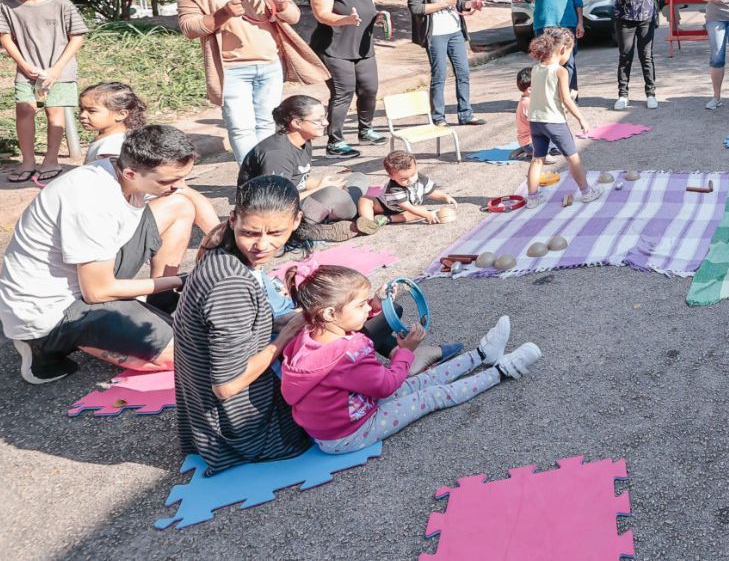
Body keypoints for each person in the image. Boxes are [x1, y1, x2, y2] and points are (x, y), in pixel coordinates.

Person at [0, 125, 198, 384]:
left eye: (182, 177)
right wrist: (183, 280)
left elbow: (191, 201)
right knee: (191, 354)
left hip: (88, 279)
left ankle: (160, 303)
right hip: (55, 308)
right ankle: (40, 345)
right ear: (130, 173)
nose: (178, 185)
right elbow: (97, 292)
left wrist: (224, 244)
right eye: (168, 181)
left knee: (180, 205)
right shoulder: (92, 200)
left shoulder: (127, 171)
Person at [279, 264, 541, 454]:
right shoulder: (348, 355)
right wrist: (406, 351)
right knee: (432, 395)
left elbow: (363, 368)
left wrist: (376, 309)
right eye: (361, 305)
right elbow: (387, 385)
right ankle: (502, 371)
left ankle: (481, 354)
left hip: (339, 420)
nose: (368, 308)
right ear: (328, 313)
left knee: (421, 380)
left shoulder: (308, 336)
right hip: (350, 433)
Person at [174, 175, 313, 474]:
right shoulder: (230, 284)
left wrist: (286, 321)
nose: (262, 244)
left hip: (208, 423)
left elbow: (242, 327)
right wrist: (288, 333)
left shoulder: (220, 250)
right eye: (250, 232)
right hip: (243, 433)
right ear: (233, 219)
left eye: (276, 232)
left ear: (296, 220)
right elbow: (227, 387)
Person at [178, 0, 309, 161]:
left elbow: (293, 17)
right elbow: (188, 27)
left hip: (270, 63)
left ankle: (267, 173)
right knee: (240, 128)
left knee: (267, 124)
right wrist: (223, 14)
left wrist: (281, 3)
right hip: (230, 68)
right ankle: (252, 177)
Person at [80, 81, 224, 244]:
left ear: (121, 114)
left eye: (91, 111)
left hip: (133, 210)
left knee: (183, 196)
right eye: (81, 109)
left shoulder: (111, 146)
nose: (83, 115)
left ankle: (219, 239)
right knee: (185, 193)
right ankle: (220, 237)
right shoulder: (122, 139)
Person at [1, 0, 87, 182]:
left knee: (54, 112)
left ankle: (51, 160)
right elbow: (5, 37)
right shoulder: (6, 4)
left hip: (59, 69)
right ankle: (28, 161)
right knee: (25, 109)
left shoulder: (62, 4)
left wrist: (56, 69)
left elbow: (77, 37)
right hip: (26, 69)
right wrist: (23, 64)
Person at [237, 95, 362, 242]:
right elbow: (275, 202)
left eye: (325, 117)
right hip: (271, 213)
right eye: (318, 120)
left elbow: (298, 179)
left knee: (358, 178)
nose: (326, 123)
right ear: (297, 123)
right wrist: (323, 188)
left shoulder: (304, 140)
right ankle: (299, 231)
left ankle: (351, 212)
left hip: (295, 200)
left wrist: (322, 183)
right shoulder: (276, 154)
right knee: (335, 195)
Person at [308, 0, 383, 158]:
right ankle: (335, 142)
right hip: (334, 47)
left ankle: (366, 131)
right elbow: (322, 14)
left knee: (369, 89)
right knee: (343, 92)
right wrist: (345, 20)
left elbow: (368, 10)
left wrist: (378, 17)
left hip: (362, 47)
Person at [407, 0, 482, 127]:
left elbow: (457, 2)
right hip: (435, 34)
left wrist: (471, 4)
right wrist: (444, 4)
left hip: (455, 30)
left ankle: (465, 114)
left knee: (463, 72)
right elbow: (416, 7)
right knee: (439, 75)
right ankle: (438, 117)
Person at [523, 29, 601, 208]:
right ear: (562, 49)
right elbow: (566, 100)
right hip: (554, 121)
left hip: (535, 121)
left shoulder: (536, 68)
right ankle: (587, 192)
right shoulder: (560, 71)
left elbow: (545, 93)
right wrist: (581, 119)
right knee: (573, 158)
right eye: (570, 52)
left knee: (537, 159)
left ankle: (532, 198)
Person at [609, 0, 660, 111]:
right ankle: (623, 95)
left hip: (646, 17)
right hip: (625, 17)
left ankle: (651, 94)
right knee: (625, 55)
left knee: (646, 56)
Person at [356, 150, 457, 233]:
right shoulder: (394, 188)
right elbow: (406, 206)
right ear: (391, 176)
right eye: (404, 179)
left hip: (402, 211)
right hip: (383, 206)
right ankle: (369, 223)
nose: (410, 180)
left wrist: (445, 196)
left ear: (416, 165)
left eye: (413, 175)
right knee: (365, 200)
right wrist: (426, 215)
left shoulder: (421, 179)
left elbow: (432, 192)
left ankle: (385, 219)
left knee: (422, 210)